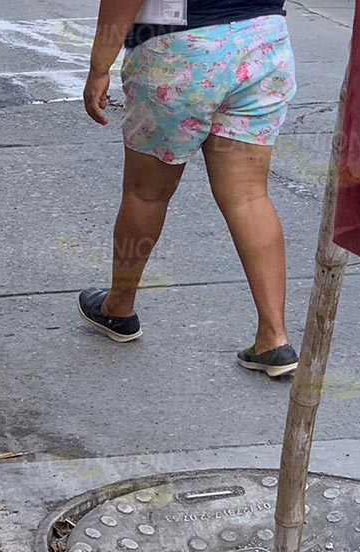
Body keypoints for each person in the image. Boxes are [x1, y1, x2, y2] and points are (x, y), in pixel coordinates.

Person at [77, 0, 299, 378]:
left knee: (146, 193)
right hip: (263, 44)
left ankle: (119, 306)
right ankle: (273, 337)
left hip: (178, 51)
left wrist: (100, 65)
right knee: (248, 194)